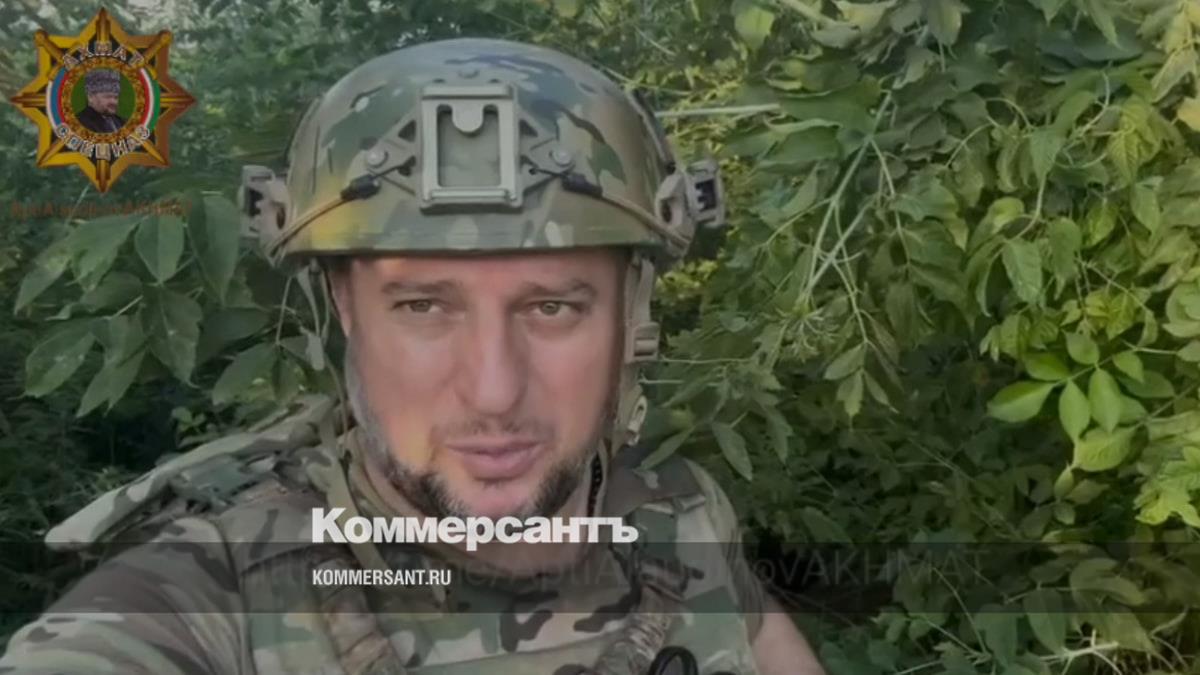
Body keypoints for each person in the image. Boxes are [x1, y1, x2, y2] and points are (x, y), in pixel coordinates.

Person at [0, 39, 826, 675]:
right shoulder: (210, 590)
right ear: (343, 305)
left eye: (553, 307)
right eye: (423, 306)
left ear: (631, 314)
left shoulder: (680, 511)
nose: (494, 392)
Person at [75, 68, 126, 134]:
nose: (113, 102)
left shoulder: (121, 122)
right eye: (107, 97)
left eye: (116, 97)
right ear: (90, 97)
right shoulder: (79, 124)